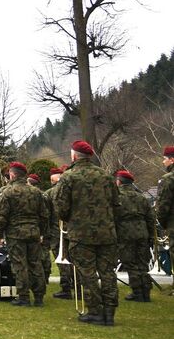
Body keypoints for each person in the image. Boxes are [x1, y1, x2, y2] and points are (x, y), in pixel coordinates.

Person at [54, 140, 121, 326]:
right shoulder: (106, 176)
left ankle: (95, 311)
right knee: (108, 273)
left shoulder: (69, 177)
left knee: (87, 273)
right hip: (107, 233)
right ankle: (109, 311)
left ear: (74, 156)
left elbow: (61, 208)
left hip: (81, 234)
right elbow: (117, 205)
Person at [0, 162, 49, 307]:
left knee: (20, 265)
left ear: (12, 174)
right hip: (33, 232)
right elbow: (44, 215)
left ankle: (23, 296)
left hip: (15, 234)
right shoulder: (36, 192)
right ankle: (39, 297)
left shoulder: (8, 192)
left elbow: (2, 216)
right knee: (35, 264)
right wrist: (42, 232)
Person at [115, 169, 154, 302]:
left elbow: (113, 217)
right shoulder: (141, 197)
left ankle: (137, 292)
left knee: (130, 263)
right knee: (142, 263)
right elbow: (150, 218)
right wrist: (151, 236)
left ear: (119, 182)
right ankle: (146, 292)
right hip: (142, 232)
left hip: (125, 232)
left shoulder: (117, 196)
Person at [45, 168, 74, 298]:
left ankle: (66, 288)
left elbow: (45, 214)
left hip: (57, 231)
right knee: (73, 259)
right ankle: (76, 285)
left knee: (62, 260)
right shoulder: (73, 191)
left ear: (52, 180)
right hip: (72, 230)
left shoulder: (49, 194)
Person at [156, 146, 174, 295]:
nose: (163, 162)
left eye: (165, 158)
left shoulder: (168, 179)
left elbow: (163, 205)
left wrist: (162, 223)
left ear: (172, 159)